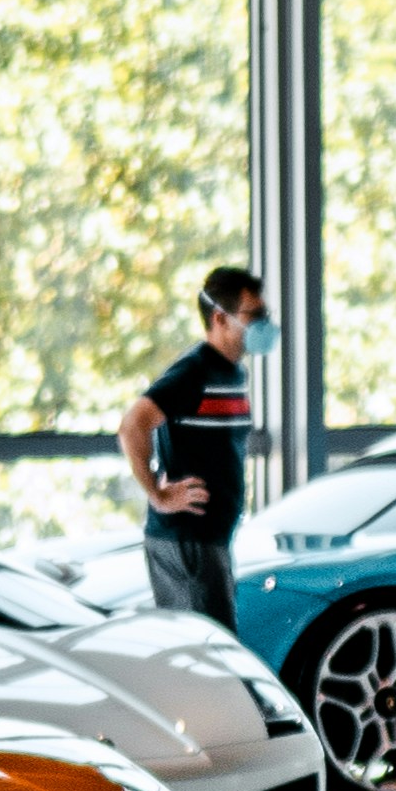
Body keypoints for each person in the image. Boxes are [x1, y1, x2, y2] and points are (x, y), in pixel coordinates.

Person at [119, 265, 275, 627]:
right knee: (205, 655)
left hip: (212, 541)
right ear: (220, 319)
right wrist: (158, 494)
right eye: (254, 316)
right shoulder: (195, 371)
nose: (263, 325)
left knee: (216, 648)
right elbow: (132, 425)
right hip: (187, 542)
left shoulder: (233, 373)